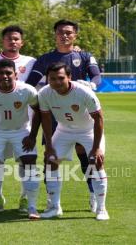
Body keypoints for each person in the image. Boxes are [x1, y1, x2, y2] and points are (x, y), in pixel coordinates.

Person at [26, 19, 102, 212]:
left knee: (85, 156)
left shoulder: (84, 56)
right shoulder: (44, 59)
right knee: (50, 158)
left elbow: (96, 76)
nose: (65, 35)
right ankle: (54, 203)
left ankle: (94, 194)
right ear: (55, 35)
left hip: (79, 113)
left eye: (69, 32)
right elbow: (31, 82)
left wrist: (91, 85)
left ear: (75, 35)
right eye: (61, 32)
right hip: (54, 113)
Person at [38, 62, 109, 221]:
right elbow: (46, 119)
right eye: (52, 78)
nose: (56, 82)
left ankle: (101, 209)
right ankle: (55, 207)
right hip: (64, 130)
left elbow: (99, 119)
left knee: (96, 162)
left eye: (61, 78)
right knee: (50, 161)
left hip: (88, 130)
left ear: (69, 77)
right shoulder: (44, 93)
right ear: (48, 79)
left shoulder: (83, 92)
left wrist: (96, 148)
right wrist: (49, 146)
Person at [0, 59, 41, 220]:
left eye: (8, 73)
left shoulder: (27, 90)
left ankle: (31, 206)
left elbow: (38, 111)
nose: (4, 76)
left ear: (16, 74)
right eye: (0, 73)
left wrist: (32, 135)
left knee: (30, 162)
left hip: (21, 131)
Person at [0, 25, 37, 212]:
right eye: (9, 38)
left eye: (16, 39)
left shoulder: (32, 61)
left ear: (22, 42)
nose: (13, 42)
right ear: (3, 41)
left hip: (23, 121)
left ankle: (25, 197)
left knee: (25, 161)